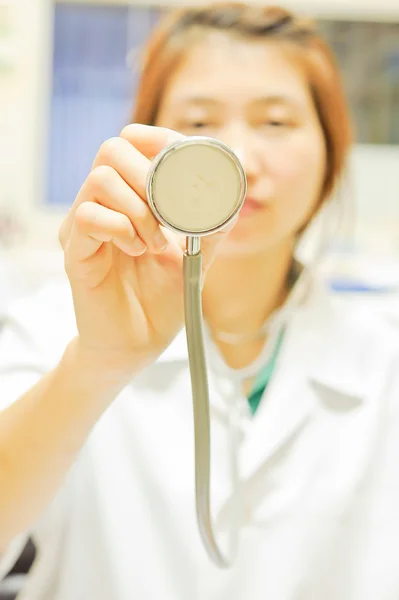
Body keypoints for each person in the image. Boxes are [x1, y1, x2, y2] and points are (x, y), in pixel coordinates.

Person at [0, 3, 399, 599]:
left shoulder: (384, 356)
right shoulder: (53, 331)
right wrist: (97, 365)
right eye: (199, 122)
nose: (239, 158)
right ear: (148, 150)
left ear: (331, 150)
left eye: (276, 123)